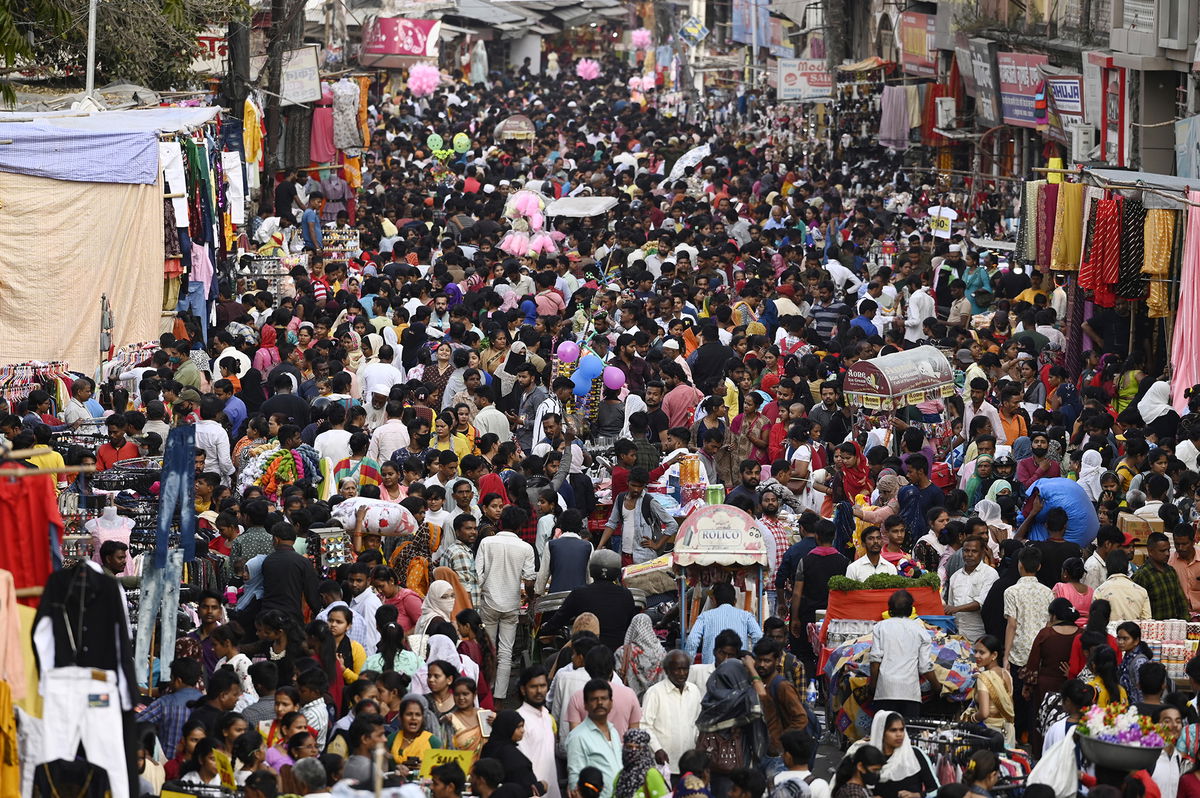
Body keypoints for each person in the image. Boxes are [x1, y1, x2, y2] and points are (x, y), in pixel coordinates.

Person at [476, 505, 536, 699]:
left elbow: (477, 575)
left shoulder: (486, 543)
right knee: (506, 651)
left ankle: (487, 690)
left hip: (489, 601)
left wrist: (485, 589)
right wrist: (530, 596)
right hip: (512, 604)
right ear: (519, 527)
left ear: (501, 522)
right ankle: (500, 696)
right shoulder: (526, 548)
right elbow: (529, 581)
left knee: (489, 648)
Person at [868, 590, 937, 719]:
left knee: (883, 732)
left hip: (885, 691)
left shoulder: (880, 627)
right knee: (908, 734)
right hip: (910, 693)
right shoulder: (920, 631)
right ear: (911, 610)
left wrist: (873, 685)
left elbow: (875, 661)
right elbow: (924, 667)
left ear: (889, 611)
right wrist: (937, 687)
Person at [845, 712, 936, 798]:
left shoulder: (915, 755)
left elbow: (936, 790)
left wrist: (918, 795)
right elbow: (852, 787)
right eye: (893, 730)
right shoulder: (868, 757)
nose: (899, 734)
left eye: (901, 730)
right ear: (882, 732)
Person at [641, 649, 702, 777]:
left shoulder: (694, 691)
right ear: (667, 671)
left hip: (689, 764)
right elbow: (645, 725)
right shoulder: (655, 692)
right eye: (677, 669)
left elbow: (697, 722)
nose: (682, 673)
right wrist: (657, 749)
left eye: (685, 669)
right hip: (663, 764)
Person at [568, 680, 624, 798]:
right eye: (594, 699)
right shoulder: (578, 737)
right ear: (585, 704)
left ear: (611, 703)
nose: (599, 703)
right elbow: (575, 779)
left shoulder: (613, 731)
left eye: (604, 698)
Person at [686, 582, 763, 664]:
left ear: (714, 600)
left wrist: (689, 664)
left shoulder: (705, 616)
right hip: (739, 667)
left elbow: (692, 640)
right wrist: (754, 661)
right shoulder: (746, 616)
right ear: (735, 601)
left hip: (711, 668)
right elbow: (758, 636)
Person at [945, 536, 998, 643]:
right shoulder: (955, 576)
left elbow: (980, 603)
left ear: (982, 552)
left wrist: (956, 609)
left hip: (979, 634)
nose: (969, 555)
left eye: (974, 551)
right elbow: (950, 606)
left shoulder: (990, 574)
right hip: (957, 634)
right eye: (966, 551)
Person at [480, 710, 543, 796]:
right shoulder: (511, 755)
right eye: (518, 727)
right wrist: (542, 786)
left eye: (522, 726)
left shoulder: (488, 747)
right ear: (507, 728)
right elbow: (527, 788)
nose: (522, 731)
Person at [1132, 532, 1190, 620]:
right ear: (1150, 551)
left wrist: (1186, 622)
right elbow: (1137, 607)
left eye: (1168, 550)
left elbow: (1180, 601)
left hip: (1173, 627)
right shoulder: (1143, 575)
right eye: (1162, 551)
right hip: (1154, 629)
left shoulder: (1171, 571)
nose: (1167, 554)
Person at [970, 635, 1015, 746]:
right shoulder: (1006, 674)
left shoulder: (984, 678)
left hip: (989, 732)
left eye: (982, 652)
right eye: (975, 651)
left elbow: (984, 713)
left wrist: (971, 718)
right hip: (1007, 732)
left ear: (994, 655)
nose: (976, 656)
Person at [613, 729, 670, 798]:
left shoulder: (651, 774)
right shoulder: (621, 775)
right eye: (629, 747)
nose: (633, 751)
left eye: (638, 748)